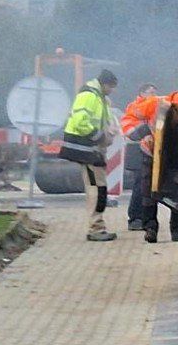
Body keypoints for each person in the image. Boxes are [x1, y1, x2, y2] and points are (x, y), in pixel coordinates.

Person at [60, 70, 119, 242]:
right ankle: (96, 228)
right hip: (88, 149)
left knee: (98, 188)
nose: (112, 91)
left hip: (92, 150)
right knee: (97, 188)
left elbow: (99, 121)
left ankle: (97, 226)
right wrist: (100, 137)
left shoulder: (98, 97)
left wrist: (108, 133)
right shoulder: (89, 95)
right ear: (105, 84)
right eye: (112, 87)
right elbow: (80, 123)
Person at [120, 85, 160, 232]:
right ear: (141, 93)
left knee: (145, 186)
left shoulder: (154, 106)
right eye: (150, 92)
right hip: (137, 150)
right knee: (139, 186)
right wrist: (143, 132)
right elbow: (130, 129)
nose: (154, 95)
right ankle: (135, 218)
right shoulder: (136, 107)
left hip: (149, 149)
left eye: (155, 92)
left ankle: (142, 218)